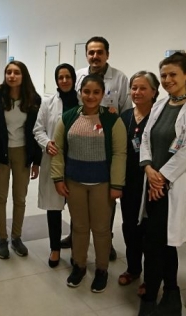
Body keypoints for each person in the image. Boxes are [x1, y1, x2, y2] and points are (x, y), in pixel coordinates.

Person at [137, 52, 186, 316]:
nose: (167, 80)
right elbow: (146, 137)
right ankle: (169, 294)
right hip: (154, 183)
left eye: (173, 75)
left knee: (161, 243)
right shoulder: (160, 105)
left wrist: (162, 178)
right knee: (157, 242)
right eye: (164, 75)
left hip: (174, 185)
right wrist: (148, 168)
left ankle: (154, 297)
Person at [51, 74, 127, 293]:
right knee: (79, 227)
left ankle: (101, 269)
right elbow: (58, 150)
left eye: (96, 92)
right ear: (80, 93)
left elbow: (120, 153)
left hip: (102, 184)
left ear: (102, 94)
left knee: (101, 229)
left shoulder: (112, 120)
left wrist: (117, 185)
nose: (91, 96)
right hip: (74, 183)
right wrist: (58, 178)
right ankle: (79, 265)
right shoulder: (68, 118)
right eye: (86, 92)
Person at [71, 36, 130, 257]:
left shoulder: (120, 79)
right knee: (78, 198)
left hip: (106, 147)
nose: (95, 56)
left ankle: (106, 240)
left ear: (107, 54)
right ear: (86, 54)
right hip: (81, 143)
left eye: (99, 52)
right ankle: (76, 235)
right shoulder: (78, 76)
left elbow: (125, 111)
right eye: (91, 52)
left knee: (104, 201)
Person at [0, 60, 42, 258]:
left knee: (20, 197)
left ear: (23, 75)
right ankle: (2, 239)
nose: (12, 76)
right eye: (8, 72)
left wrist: (37, 161)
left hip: (23, 152)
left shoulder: (33, 98)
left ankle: (16, 237)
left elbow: (37, 131)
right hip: (2, 153)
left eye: (16, 72)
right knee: (1, 197)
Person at [33, 63, 78, 268]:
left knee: (78, 208)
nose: (64, 80)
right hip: (55, 159)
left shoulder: (83, 101)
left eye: (68, 76)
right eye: (60, 77)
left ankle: (77, 247)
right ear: (56, 80)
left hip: (78, 161)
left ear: (74, 79)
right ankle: (55, 248)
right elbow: (38, 129)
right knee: (54, 208)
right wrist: (47, 143)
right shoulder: (48, 102)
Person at [118, 71, 159, 288]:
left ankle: (151, 278)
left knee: (150, 232)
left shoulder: (160, 116)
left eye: (143, 88)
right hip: (129, 182)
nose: (137, 92)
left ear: (154, 91)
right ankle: (133, 268)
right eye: (134, 88)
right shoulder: (125, 117)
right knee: (130, 227)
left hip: (152, 183)